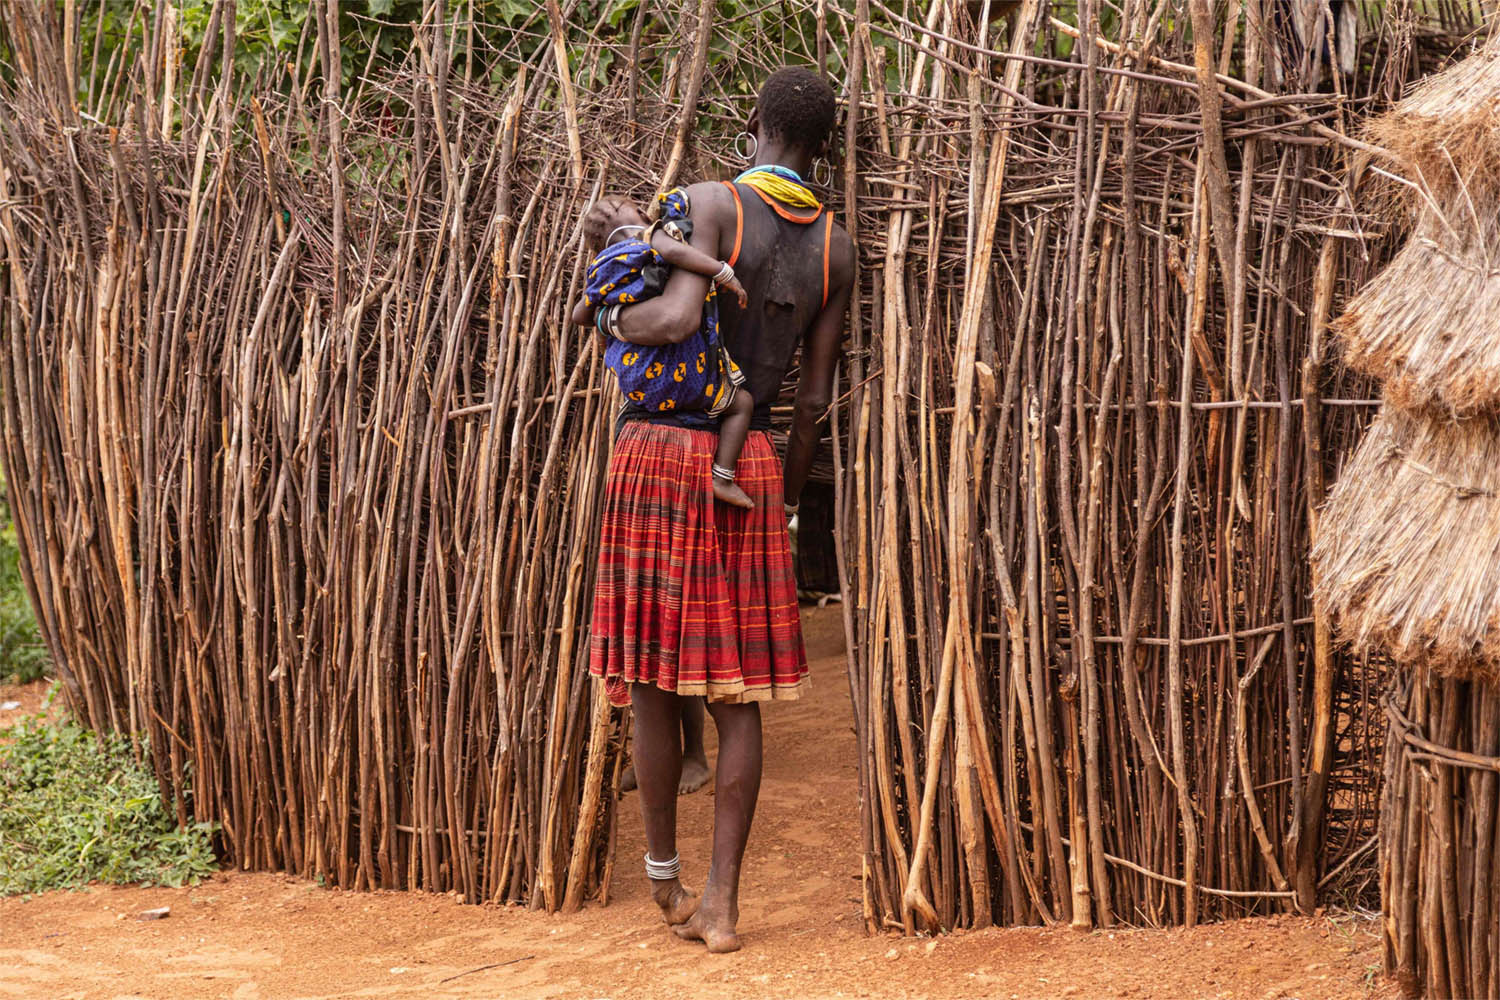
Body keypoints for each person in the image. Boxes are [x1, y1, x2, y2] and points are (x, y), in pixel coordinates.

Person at [588, 65, 853, 953]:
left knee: (655, 677)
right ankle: (722, 905)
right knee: (738, 696)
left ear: (755, 124)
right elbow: (811, 400)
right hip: (755, 468)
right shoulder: (838, 248)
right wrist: (783, 505)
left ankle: (663, 879)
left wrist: (608, 323)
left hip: (664, 454)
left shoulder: (710, 202)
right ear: (822, 143)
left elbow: (669, 321)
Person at [571, 191, 757, 508]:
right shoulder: (652, 237)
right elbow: (679, 255)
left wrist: (607, 318)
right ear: (643, 216)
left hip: (639, 385)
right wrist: (723, 272)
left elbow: (579, 315)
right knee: (742, 403)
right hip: (681, 374)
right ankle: (723, 477)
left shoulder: (602, 270)